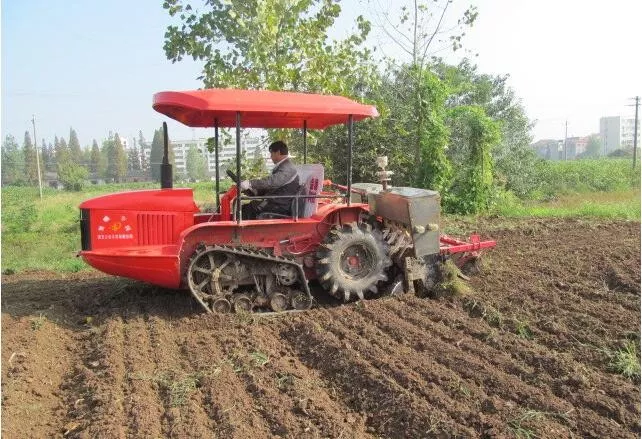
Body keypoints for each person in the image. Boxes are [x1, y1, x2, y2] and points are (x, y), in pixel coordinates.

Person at [240, 141, 300, 219]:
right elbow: (272, 187)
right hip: (276, 202)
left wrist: (250, 183)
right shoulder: (282, 166)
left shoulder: (288, 168)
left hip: (281, 205)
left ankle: (242, 230)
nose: (270, 156)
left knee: (247, 209)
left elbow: (271, 182)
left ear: (278, 152)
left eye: (271, 153)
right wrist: (253, 190)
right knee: (245, 208)